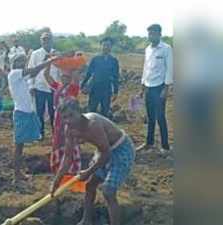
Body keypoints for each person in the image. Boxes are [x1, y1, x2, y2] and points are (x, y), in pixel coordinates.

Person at [50, 99, 135, 225]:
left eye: (71, 115)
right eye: (65, 118)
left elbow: (106, 153)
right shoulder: (69, 129)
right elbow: (68, 157)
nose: (68, 120)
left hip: (121, 149)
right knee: (90, 186)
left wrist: (88, 171)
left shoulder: (92, 124)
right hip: (103, 150)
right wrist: (57, 181)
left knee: (108, 191)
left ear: (80, 112)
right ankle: (86, 221)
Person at [8, 53, 60, 182]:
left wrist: (45, 62)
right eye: (19, 61)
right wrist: (49, 61)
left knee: (21, 145)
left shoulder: (20, 76)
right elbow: (34, 70)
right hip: (21, 113)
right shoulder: (14, 73)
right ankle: (17, 175)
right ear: (14, 63)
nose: (22, 63)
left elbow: (34, 73)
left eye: (23, 61)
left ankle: (18, 173)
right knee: (18, 145)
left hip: (27, 112)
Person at [136, 24, 173, 154]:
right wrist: (142, 87)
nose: (151, 36)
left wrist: (166, 88)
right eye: (149, 33)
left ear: (159, 34)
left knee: (160, 117)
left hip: (159, 87)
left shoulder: (166, 49)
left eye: (154, 33)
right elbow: (146, 68)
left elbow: (170, 69)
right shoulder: (148, 49)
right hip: (148, 87)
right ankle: (149, 142)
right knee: (150, 117)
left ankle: (165, 146)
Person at [42, 63, 81, 175]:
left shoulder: (73, 88)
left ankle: (71, 167)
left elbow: (77, 77)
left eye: (67, 77)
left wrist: (75, 65)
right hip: (58, 117)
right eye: (63, 76)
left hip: (69, 118)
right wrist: (48, 63)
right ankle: (58, 164)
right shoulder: (58, 86)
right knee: (58, 139)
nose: (65, 79)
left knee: (69, 139)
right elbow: (46, 76)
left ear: (70, 78)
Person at [27, 31, 61, 140]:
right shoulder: (35, 54)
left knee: (53, 112)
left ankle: (55, 134)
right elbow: (31, 70)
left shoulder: (57, 54)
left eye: (48, 39)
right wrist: (31, 86)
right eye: (44, 39)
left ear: (52, 41)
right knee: (39, 112)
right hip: (39, 87)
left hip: (53, 87)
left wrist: (60, 87)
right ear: (41, 41)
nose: (46, 41)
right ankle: (40, 133)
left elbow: (60, 71)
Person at [81, 37, 120, 118]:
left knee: (105, 112)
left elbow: (116, 77)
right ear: (101, 46)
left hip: (107, 89)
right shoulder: (95, 59)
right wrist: (83, 85)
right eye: (104, 45)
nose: (106, 47)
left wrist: (116, 91)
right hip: (95, 88)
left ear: (111, 47)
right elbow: (89, 73)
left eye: (108, 45)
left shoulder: (114, 61)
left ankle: (103, 130)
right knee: (91, 111)